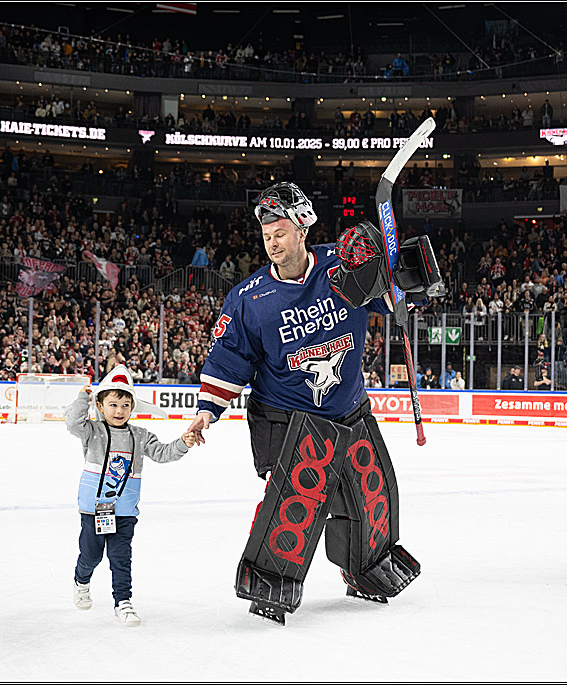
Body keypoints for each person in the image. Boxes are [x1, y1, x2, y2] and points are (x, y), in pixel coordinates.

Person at [186, 182, 439, 625]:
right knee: (297, 503)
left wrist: (405, 278)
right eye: (265, 234)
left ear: (302, 227)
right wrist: (207, 411)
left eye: (279, 231)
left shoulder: (339, 267)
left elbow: (391, 298)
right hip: (287, 418)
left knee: (368, 491)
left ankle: (366, 569)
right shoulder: (248, 299)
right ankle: (270, 581)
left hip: (349, 408)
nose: (271, 241)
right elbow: (229, 358)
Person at [65, 364, 196, 627]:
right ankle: (82, 580)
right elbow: (72, 423)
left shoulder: (141, 436)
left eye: (125, 405)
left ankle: (122, 601)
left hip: (124, 512)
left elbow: (163, 453)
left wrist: (183, 443)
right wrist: (83, 397)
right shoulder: (94, 431)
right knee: (91, 555)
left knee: (121, 558)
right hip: (94, 509)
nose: (119, 410)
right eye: (113, 404)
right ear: (100, 406)